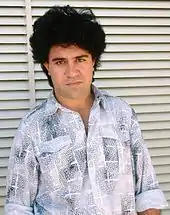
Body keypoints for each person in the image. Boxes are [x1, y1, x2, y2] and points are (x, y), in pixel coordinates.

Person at [5, 5, 167, 215]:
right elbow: (18, 207)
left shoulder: (122, 114)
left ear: (93, 61)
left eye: (80, 59)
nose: (71, 72)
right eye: (60, 61)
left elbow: (147, 193)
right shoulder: (32, 127)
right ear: (47, 66)